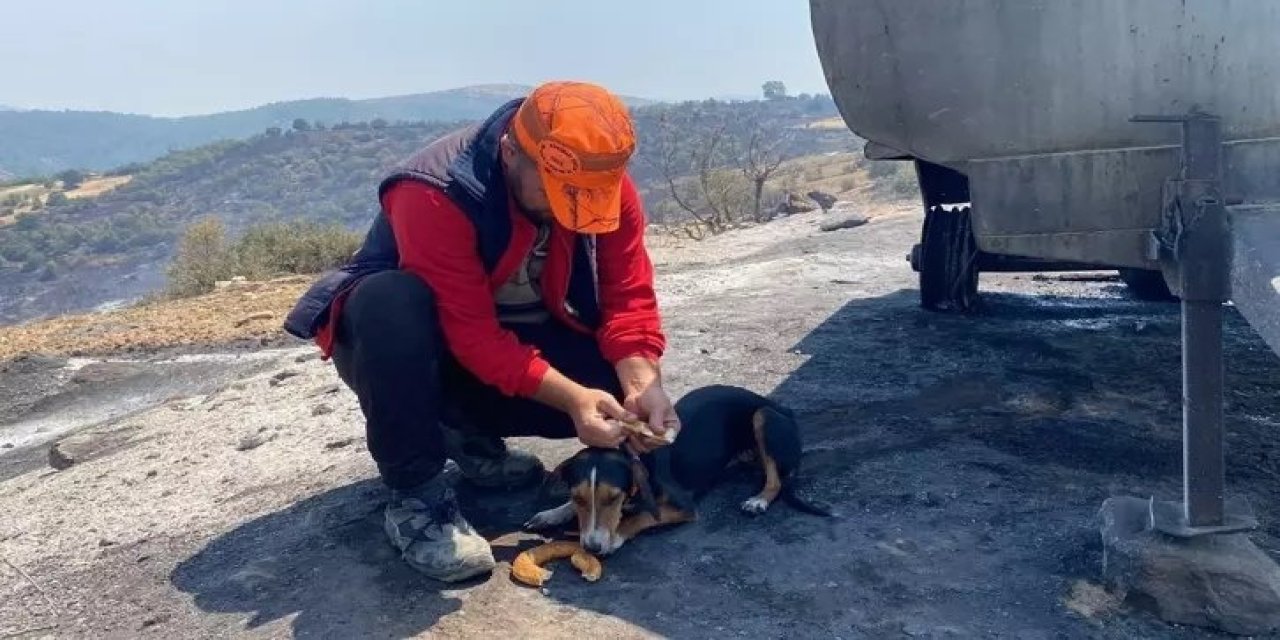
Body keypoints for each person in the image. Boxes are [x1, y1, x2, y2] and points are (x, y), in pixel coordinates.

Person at [283, 81, 679, 583]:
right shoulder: (434, 190)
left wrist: (644, 384)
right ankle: (418, 500)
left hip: (505, 336)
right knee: (391, 301)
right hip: (415, 350)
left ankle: (466, 437)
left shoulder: (600, 181)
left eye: (583, 198)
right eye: (557, 193)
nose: (568, 210)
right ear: (512, 152)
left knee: (616, 383)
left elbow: (628, 297)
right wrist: (574, 399)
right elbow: (470, 335)